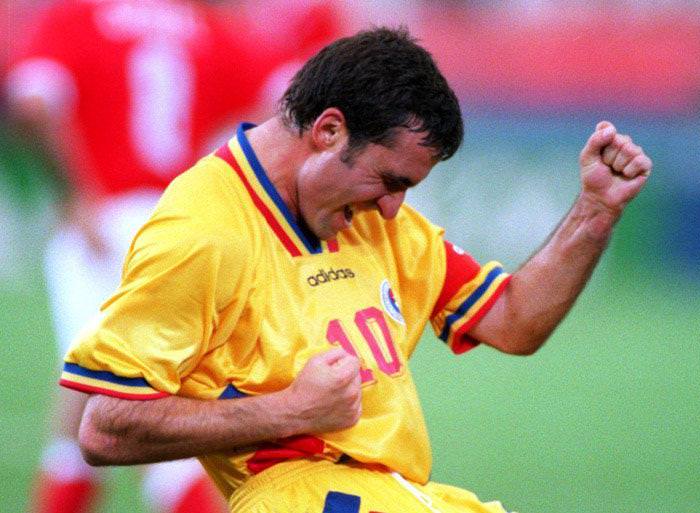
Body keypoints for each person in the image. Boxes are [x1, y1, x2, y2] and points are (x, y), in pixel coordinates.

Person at [59, 27, 652, 513]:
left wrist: (595, 212)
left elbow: (515, 321)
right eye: (390, 181)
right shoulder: (201, 233)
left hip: (392, 494)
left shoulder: (371, 217)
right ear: (329, 131)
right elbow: (106, 427)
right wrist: (287, 411)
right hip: (302, 498)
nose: (394, 208)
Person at [5, 1, 342, 512]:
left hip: (105, 223)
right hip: (184, 223)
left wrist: (77, 195)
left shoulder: (80, 15)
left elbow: (32, 101)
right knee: (98, 402)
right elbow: (290, 100)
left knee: (134, 413)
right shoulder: (207, 27)